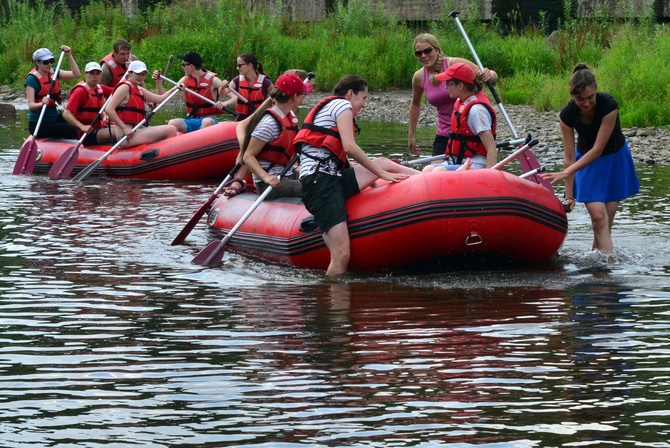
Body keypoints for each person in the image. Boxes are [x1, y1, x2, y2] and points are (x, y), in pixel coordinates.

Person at [294, 75, 421, 277]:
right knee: (342, 254)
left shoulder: (332, 108)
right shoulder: (342, 106)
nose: (364, 104)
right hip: (320, 184)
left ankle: (426, 179)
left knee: (383, 161)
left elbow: (343, 159)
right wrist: (379, 174)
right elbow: (349, 147)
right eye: (364, 98)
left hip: (329, 178)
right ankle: (334, 306)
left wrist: (375, 178)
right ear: (351, 94)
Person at [540, 64, 640, 253]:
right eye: (580, 99)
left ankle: (597, 267)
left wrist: (567, 172)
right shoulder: (567, 115)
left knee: (604, 223)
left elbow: (598, 149)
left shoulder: (609, 105)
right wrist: (569, 195)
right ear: (571, 94)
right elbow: (569, 156)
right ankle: (608, 268)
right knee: (598, 217)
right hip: (585, 163)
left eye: (590, 98)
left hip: (614, 160)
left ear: (596, 90)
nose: (586, 103)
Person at [409, 33, 498, 156]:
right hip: (444, 133)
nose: (423, 56)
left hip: (469, 131)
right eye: (418, 53)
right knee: (435, 171)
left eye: (427, 51)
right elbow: (415, 104)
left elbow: (486, 74)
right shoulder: (419, 77)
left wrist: (491, 75)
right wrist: (411, 135)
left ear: (437, 49)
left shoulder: (454, 64)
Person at [239, 72, 311, 199]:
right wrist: (266, 177)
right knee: (313, 188)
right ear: (294, 97)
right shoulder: (269, 124)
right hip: (269, 184)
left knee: (318, 180)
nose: (303, 98)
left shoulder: (290, 117)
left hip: (286, 174)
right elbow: (247, 156)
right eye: (302, 94)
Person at [422, 63, 497, 171]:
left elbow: (491, 148)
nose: (445, 87)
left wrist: (490, 176)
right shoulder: (460, 101)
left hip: (476, 164)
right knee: (427, 169)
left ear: (461, 86)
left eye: (449, 84)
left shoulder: (477, 110)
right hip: (457, 161)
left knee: (439, 171)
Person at [105, 60, 179, 148]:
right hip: (125, 137)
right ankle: (166, 156)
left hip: (138, 130)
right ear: (130, 73)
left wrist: (174, 89)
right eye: (138, 74)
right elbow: (109, 109)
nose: (140, 77)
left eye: (143, 74)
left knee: (172, 129)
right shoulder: (124, 87)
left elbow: (160, 99)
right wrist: (125, 128)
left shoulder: (138, 89)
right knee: (170, 129)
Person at [153, 51, 227, 133]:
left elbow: (233, 96)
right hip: (191, 120)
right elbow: (163, 97)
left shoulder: (213, 80)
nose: (182, 67)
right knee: (173, 123)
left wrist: (224, 103)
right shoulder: (185, 80)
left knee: (206, 122)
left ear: (191, 66)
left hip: (209, 119)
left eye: (184, 64)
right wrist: (159, 83)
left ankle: (201, 142)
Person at [24, 46, 81, 139]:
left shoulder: (54, 73)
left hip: (54, 118)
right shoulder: (31, 80)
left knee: (76, 127)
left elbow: (76, 74)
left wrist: (69, 55)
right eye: (46, 62)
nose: (49, 64)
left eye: (51, 61)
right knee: (69, 129)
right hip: (38, 124)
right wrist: (41, 103)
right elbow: (31, 105)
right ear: (37, 62)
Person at [62, 62, 117, 146]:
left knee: (126, 128)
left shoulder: (100, 88)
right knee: (120, 132)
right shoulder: (80, 91)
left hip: (99, 127)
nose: (94, 76)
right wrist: (81, 127)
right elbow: (66, 113)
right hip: (86, 133)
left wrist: (129, 77)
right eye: (91, 73)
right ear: (85, 74)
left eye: (97, 74)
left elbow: (119, 91)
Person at [221, 52, 274, 121]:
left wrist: (267, 109)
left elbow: (276, 99)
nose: (237, 68)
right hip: (242, 118)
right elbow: (222, 94)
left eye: (239, 65)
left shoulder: (265, 82)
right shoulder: (237, 80)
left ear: (250, 66)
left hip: (259, 118)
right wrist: (222, 87)